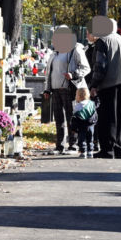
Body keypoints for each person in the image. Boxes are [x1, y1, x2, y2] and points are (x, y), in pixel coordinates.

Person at [87, 16, 121, 159]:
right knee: (119, 116)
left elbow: (100, 65)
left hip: (107, 83)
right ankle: (118, 148)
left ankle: (107, 149)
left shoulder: (103, 41)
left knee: (107, 118)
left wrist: (94, 85)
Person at [43, 25, 90, 154]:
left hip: (69, 89)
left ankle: (73, 145)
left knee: (71, 118)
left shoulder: (75, 49)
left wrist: (73, 74)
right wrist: (47, 89)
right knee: (59, 119)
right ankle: (59, 146)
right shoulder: (55, 52)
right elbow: (49, 72)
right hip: (55, 90)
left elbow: (86, 68)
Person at [71, 87, 98, 158]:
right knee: (90, 138)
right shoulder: (92, 103)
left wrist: (74, 129)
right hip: (91, 125)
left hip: (82, 125)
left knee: (82, 139)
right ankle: (90, 152)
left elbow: (75, 118)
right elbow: (96, 110)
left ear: (78, 96)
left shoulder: (77, 106)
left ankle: (83, 152)